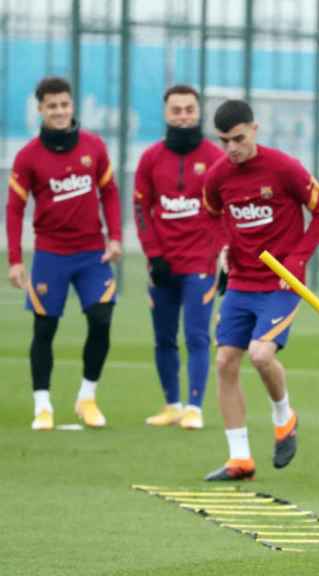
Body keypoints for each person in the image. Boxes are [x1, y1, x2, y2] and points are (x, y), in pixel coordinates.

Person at [201, 99, 319, 481]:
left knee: (260, 355)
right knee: (225, 361)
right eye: (224, 140)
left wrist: (298, 259)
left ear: (254, 130)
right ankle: (239, 459)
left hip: (280, 284)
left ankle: (283, 416)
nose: (231, 148)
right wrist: (223, 245)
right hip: (241, 283)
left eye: (238, 138)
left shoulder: (283, 168)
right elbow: (211, 215)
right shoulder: (218, 176)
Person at [6, 76, 123, 431]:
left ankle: (87, 398)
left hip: (92, 254)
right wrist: (15, 259)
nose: (59, 111)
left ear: (72, 106)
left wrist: (115, 237)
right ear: (40, 110)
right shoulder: (28, 157)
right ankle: (43, 405)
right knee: (45, 328)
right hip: (51, 256)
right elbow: (14, 209)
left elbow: (111, 193)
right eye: (51, 106)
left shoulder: (94, 146)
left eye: (64, 105)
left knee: (102, 319)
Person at [134, 84, 226, 430]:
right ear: (166, 113)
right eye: (177, 110)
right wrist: (154, 255)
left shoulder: (216, 157)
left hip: (200, 263)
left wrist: (220, 253)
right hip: (163, 264)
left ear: (199, 112)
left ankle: (194, 407)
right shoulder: (150, 158)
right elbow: (141, 208)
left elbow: (226, 209)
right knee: (164, 337)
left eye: (189, 109)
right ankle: (172, 404)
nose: (184, 116)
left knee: (198, 335)